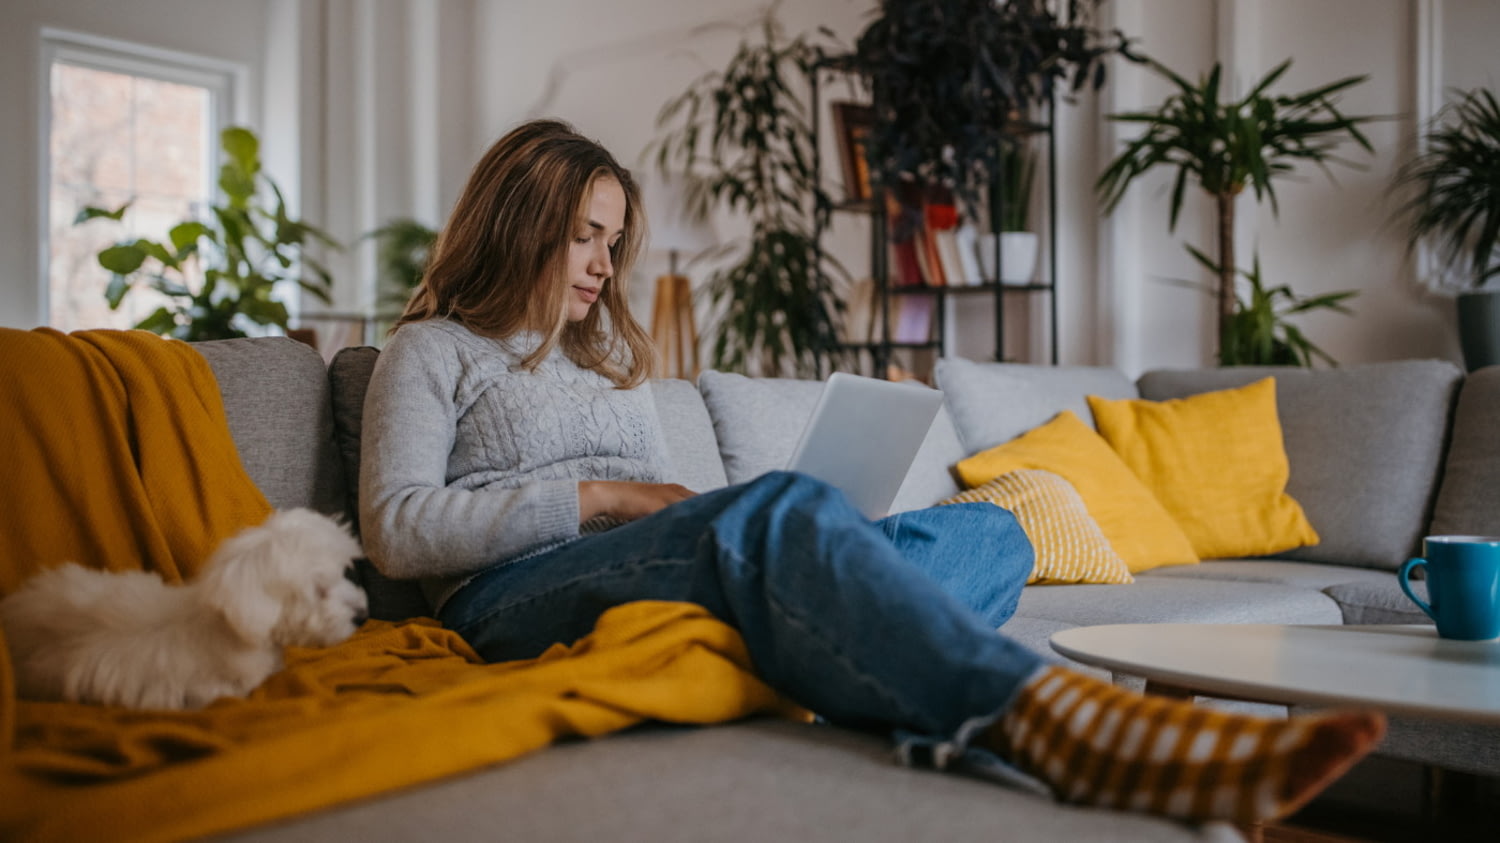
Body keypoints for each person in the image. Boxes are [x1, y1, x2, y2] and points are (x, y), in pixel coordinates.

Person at [359, 118, 1384, 826]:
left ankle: (845, 637)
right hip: (506, 597)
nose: (599, 264)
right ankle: (1041, 718)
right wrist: (605, 499)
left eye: (612, 242)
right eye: (581, 236)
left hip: (653, 566)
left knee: (993, 533)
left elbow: (676, 520)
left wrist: (697, 513)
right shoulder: (433, 352)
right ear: (517, 225)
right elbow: (397, 530)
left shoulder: (618, 362)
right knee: (774, 519)